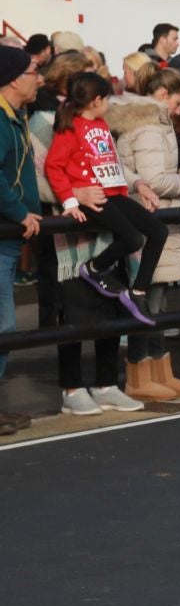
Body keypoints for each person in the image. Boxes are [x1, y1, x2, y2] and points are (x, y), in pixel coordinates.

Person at [105, 64, 180, 401]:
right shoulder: (150, 127)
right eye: (178, 103)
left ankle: (158, 370)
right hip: (152, 217)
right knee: (147, 300)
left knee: (155, 301)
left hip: (152, 218)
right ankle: (140, 372)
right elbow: (156, 179)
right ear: (163, 95)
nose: (179, 110)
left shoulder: (146, 122)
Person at [45, 70, 166, 326]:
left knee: (158, 230)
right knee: (132, 238)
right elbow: (53, 166)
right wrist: (69, 199)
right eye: (108, 100)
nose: (110, 105)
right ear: (96, 101)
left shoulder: (101, 124)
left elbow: (111, 162)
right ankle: (94, 268)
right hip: (93, 198)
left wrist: (130, 188)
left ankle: (138, 292)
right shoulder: (70, 128)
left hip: (113, 194)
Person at [0, 46, 44, 431]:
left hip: (10, 237)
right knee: (2, 322)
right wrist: (18, 211)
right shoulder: (2, 119)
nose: (40, 78)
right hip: (4, 234)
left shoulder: (16, 116)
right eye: (33, 71)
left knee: (5, 322)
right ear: (14, 78)